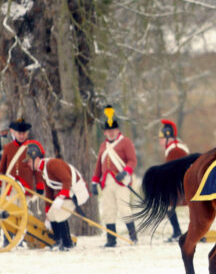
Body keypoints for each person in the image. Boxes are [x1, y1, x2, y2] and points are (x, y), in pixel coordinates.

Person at [26, 143, 90, 251]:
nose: (28, 164)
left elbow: (67, 179)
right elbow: (49, 193)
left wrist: (61, 197)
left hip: (75, 192)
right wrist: (47, 213)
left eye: (29, 161)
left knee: (59, 214)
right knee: (52, 214)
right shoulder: (43, 171)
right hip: (67, 193)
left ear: (36, 159)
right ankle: (58, 241)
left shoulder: (52, 164)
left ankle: (67, 244)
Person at [91, 105, 139, 247]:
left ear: (117, 130)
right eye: (108, 131)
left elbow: (132, 160)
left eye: (112, 130)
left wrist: (125, 172)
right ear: (105, 132)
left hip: (121, 181)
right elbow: (99, 166)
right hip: (106, 183)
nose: (110, 133)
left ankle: (133, 237)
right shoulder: (103, 146)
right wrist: (94, 181)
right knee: (108, 210)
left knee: (124, 209)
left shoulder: (125, 142)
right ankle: (111, 240)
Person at [159, 119, 190, 242]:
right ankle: (178, 232)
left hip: (182, 184)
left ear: (168, 137)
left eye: (161, 138)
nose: (160, 141)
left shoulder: (175, 149)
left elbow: (176, 171)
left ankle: (183, 232)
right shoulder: (173, 147)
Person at [0, 118, 44, 195]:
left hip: (26, 189)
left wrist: (40, 185)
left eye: (24, 133)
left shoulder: (31, 148)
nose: (22, 136)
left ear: (27, 133)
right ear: (15, 133)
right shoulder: (8, 148)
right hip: (10, 188)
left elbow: (37, 169)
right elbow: (2, 168)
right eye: (19, 133)